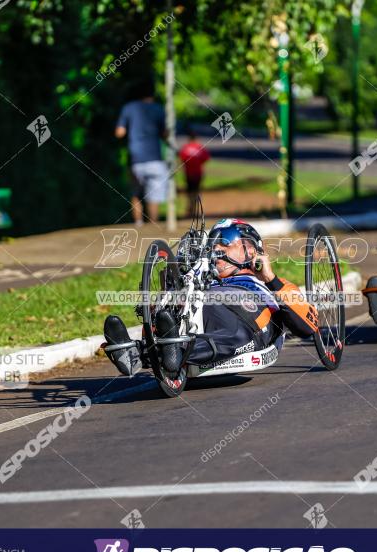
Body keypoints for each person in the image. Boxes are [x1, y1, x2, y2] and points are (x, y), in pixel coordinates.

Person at [102, 218, 319, 377]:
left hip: (248, 320)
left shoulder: (268, 284)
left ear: (251, 250)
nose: (216, 248)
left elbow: (307, 326)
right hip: (207, 310)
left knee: (236, 334)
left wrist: (271, 279)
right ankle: (133, 351)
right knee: (171, 310)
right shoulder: (203, 280)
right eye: (213, 244)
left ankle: (166, 351)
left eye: (226, 242)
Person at [116, 81, 168, 227]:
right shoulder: (159, 109)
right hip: (155, 159)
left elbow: (119, 132)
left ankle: (138, 223)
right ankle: (153, 225)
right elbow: (165, 134)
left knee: (136, 193)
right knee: (154, 196)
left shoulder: (128, 108)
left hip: (136, 158)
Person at [178, 130, 210, 217]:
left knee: (190, 192)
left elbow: (181, 159)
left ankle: (191, 209)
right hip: (198, 173)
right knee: (197, 192)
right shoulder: (200, 147)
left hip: (188, 173)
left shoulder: (185, 148)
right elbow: (205, 159)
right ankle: (195, 209)